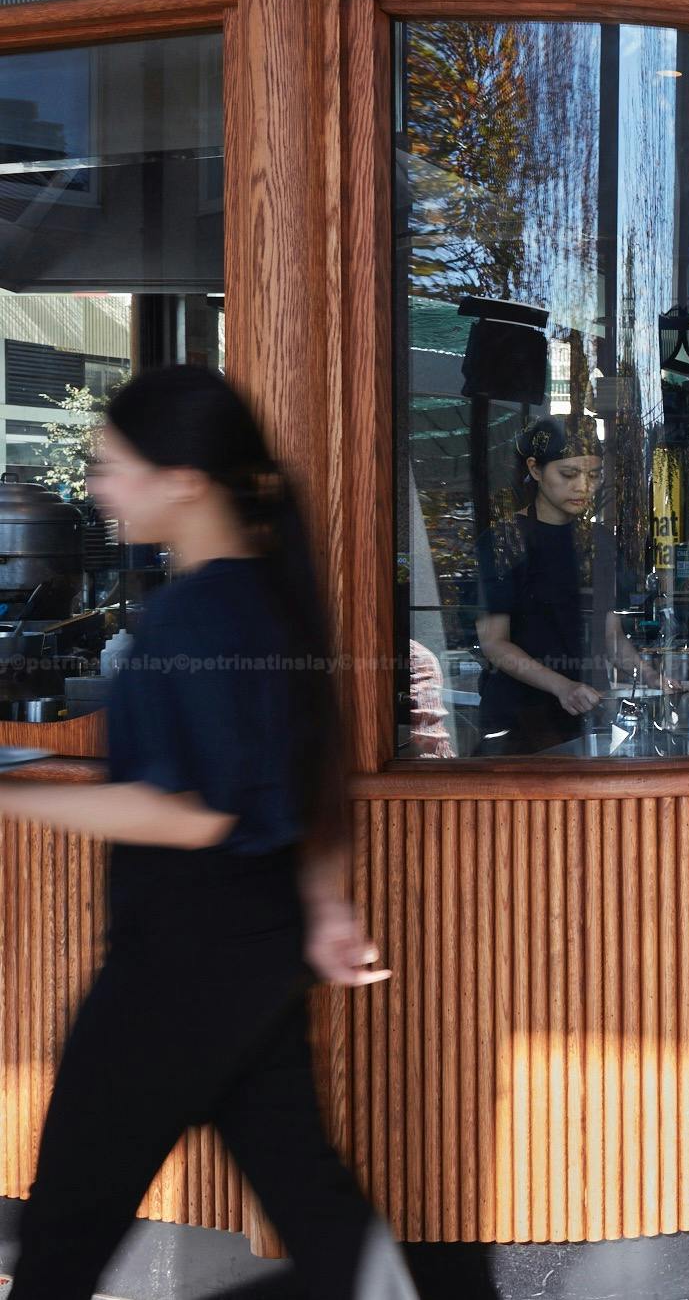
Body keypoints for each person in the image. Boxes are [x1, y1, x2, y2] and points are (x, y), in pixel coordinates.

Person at [0, 366, 414, 1299]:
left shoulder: (200, 610)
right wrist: (320, 905)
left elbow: (193, 810)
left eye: (112, 467)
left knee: (68, 1221)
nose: (98, 487)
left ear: (183, 480)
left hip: (184, 961)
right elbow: (307, 773)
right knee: (307, 1192)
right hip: (252, 948)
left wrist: (6, 794)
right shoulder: (263, 598)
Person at [474, 416, 658, 754]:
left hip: (587, 711)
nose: (583, 487)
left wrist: (651, 678)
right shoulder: (504, 540)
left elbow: (611, 635)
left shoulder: (600, 542)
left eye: (593, 475)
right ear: (535, 469)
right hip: (518, 716)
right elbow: (494, 643)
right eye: (569, 474)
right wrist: (562, 686)